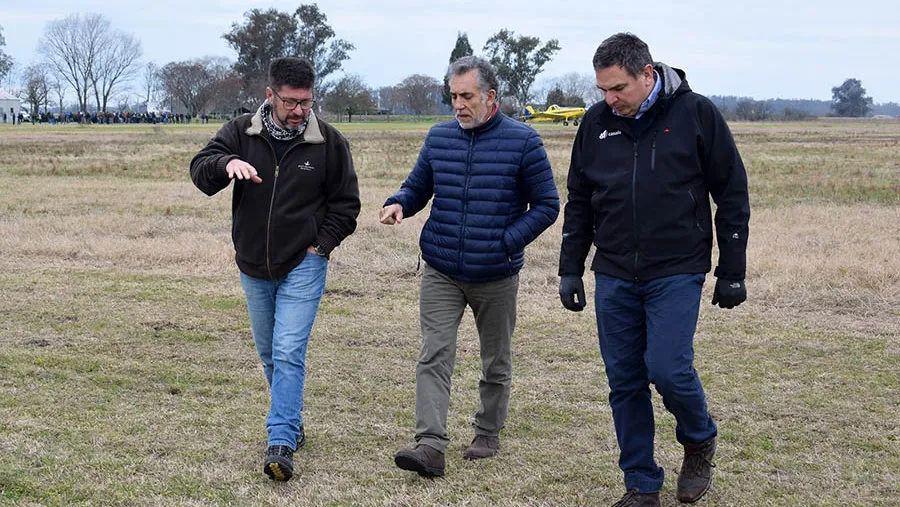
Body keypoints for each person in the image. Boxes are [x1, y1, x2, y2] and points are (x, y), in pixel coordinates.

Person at [558, 33, 750, 506]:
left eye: (618, 88)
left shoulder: (696, 114)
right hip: (616, 271)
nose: (609, 99)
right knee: (623, 379)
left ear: (648, 74)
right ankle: (641, 483)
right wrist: (570, 268)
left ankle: (699, 437)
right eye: (602, 89)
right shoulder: (595, 123)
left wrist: (732, 269)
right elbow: (580, 200)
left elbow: (731, 193)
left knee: (666, 368)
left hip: (677, 268)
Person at [381, 56, 559, 478]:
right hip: (441, 268)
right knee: (433, 354)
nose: (458, 104)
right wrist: (399, 203)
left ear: (490, 96)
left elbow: (548, 205)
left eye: (466, 96)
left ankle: (487, 431)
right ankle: (430, 446)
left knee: (495, 360)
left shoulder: (523, 141)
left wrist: (505, 242)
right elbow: (418, 187)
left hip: (496, 274)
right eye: (453, 96)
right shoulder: (439, 137)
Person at [189, 56, 360, 482]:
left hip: (304, 263)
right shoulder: (241, 132)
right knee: (269, 354)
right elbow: (200, 170)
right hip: (252, 263)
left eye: (306, 101)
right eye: (289, 102)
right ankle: (294, 421)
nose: (299, 110)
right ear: (270, 95)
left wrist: (321, 246)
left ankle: (281, 440)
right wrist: (224, 165)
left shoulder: (330, 143)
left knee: (287, 352)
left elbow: (347, 205)